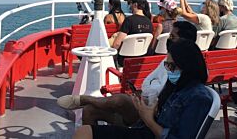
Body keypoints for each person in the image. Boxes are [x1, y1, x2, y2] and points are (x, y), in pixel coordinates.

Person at [57, 21, 198, 126]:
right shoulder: (168, 59)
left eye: (172, 37)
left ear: (184, 41)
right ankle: (86, 103)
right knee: (89, 111)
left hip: (151, 115)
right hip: (144, 103)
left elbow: (167, 99)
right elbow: (151, 82)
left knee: (121, 100)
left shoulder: (185, 70)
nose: (168, 39)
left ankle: (84, 99)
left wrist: (145, 100)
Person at [73, 39, 212, 139]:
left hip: (149, 131)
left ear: (186, 66)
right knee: (85, 130)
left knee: (85, 132)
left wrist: (149, 120)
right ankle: (88, 100)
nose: (168, 70)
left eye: (171, 66)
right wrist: (150, 111)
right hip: (145, 128)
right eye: (167, 65)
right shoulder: (177, 85)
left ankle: (87, 100)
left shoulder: (198, 98)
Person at [113, 0, 153, 66]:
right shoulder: (149, 22)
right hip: (141, 59)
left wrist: (113, 57)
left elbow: (117, 44)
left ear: (135, 4)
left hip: (125, 61)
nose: (129, 6)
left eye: (130, 3)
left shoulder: (129, 20)